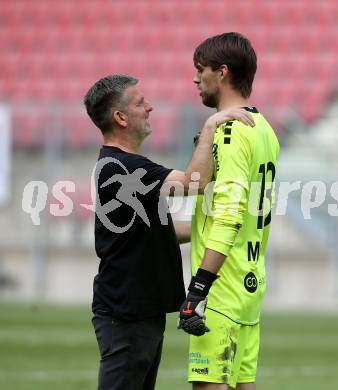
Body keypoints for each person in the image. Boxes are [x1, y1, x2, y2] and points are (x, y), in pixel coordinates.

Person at [83, 74, 254, 390]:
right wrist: (210, 127)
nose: (149, 107)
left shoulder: (122, 165)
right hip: (127, 313)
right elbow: (195, 183)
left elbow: (159, 230)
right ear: (120, 117)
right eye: (139, 103)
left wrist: (222, 227)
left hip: (139, 312)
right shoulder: (121, 168)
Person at [178, 32, 280, 390]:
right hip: (250, 283)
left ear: (221, 73)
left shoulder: (230, 131)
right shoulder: (265, 129)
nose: (195, 79)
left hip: (221, 289)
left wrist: (198, 289)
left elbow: (230, 214)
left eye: (200, 69)